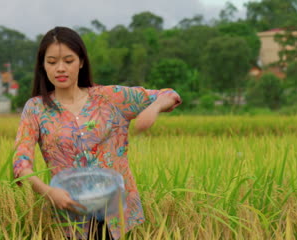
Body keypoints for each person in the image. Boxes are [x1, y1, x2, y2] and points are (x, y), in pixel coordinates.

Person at [12, 26, 182, 239]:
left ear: (81, 62)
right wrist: (49, 192)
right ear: (43, 66)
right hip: (72, 217)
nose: (60, 68)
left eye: (68, 60)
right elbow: (21, 164)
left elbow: (169, 94)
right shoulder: (35, 109)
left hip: (117, 214)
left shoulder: (109, 98)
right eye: (52, 62)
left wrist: (153, 109)